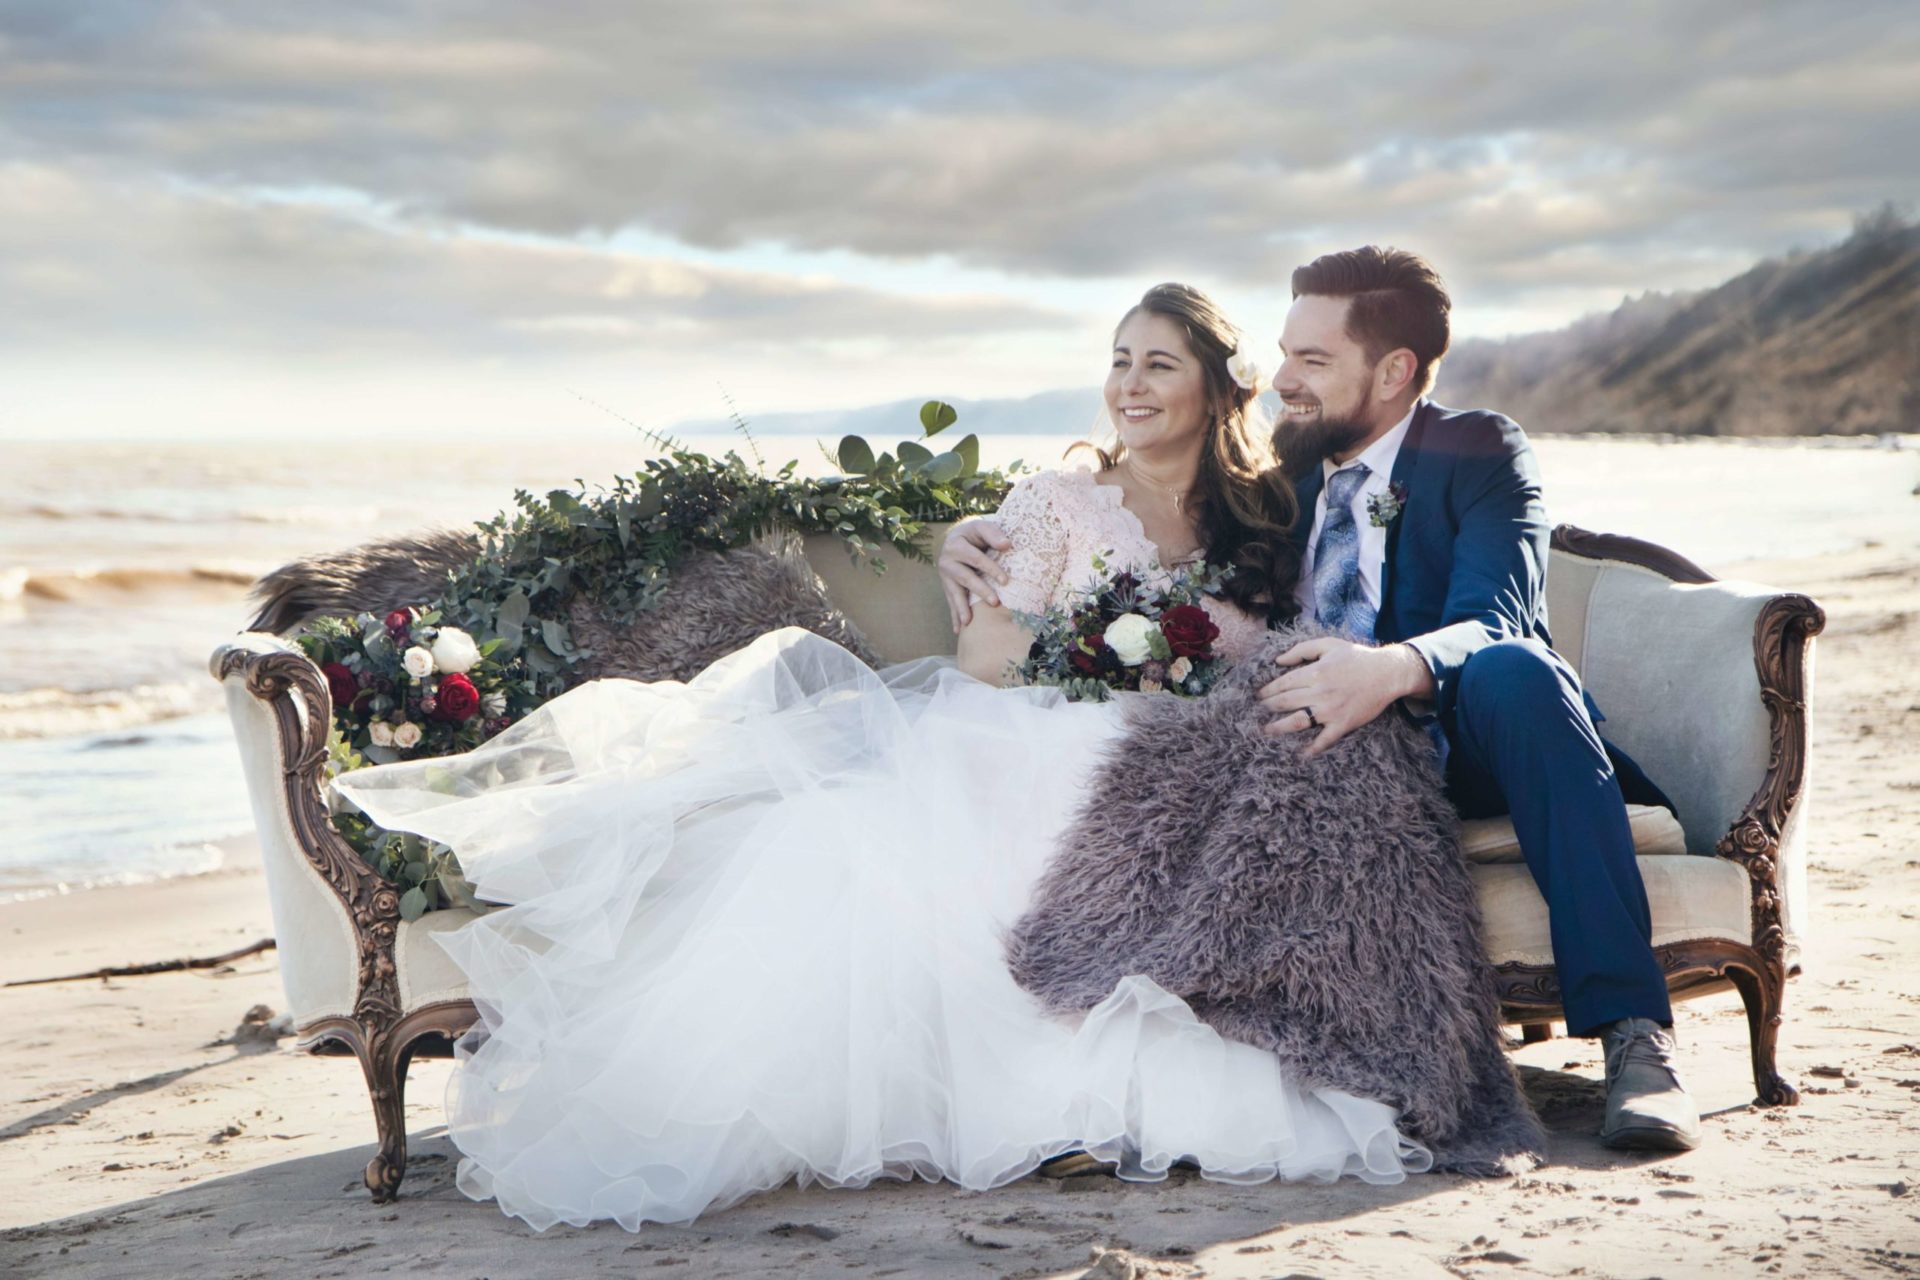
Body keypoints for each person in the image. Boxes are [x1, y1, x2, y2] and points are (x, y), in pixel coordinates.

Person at [335, 284, 1435, 1234]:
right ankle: (1038, 1098)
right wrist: (1110, 667)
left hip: (1194, 746)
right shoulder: (1055, 504)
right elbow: (991, 657)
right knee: (1049, 771)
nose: (1130, 383)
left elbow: (1299, 639)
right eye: (1117, 361)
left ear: (1213, 386)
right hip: (1043, 717)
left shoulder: (1267, 512)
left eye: (1159, 363)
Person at [941, 248, 1701, 1153]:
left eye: (1312, 360)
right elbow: (1150, 530)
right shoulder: (1272, 480)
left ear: (1393, 371)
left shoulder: (1479, 450)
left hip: (1466, 736)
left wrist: (1389, 671)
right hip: (1314, 753)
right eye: (1284, 353)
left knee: (1518, 670)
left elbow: (1497, 618)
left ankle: (1636, 1040)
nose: (1283, 380)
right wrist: (968, 533)